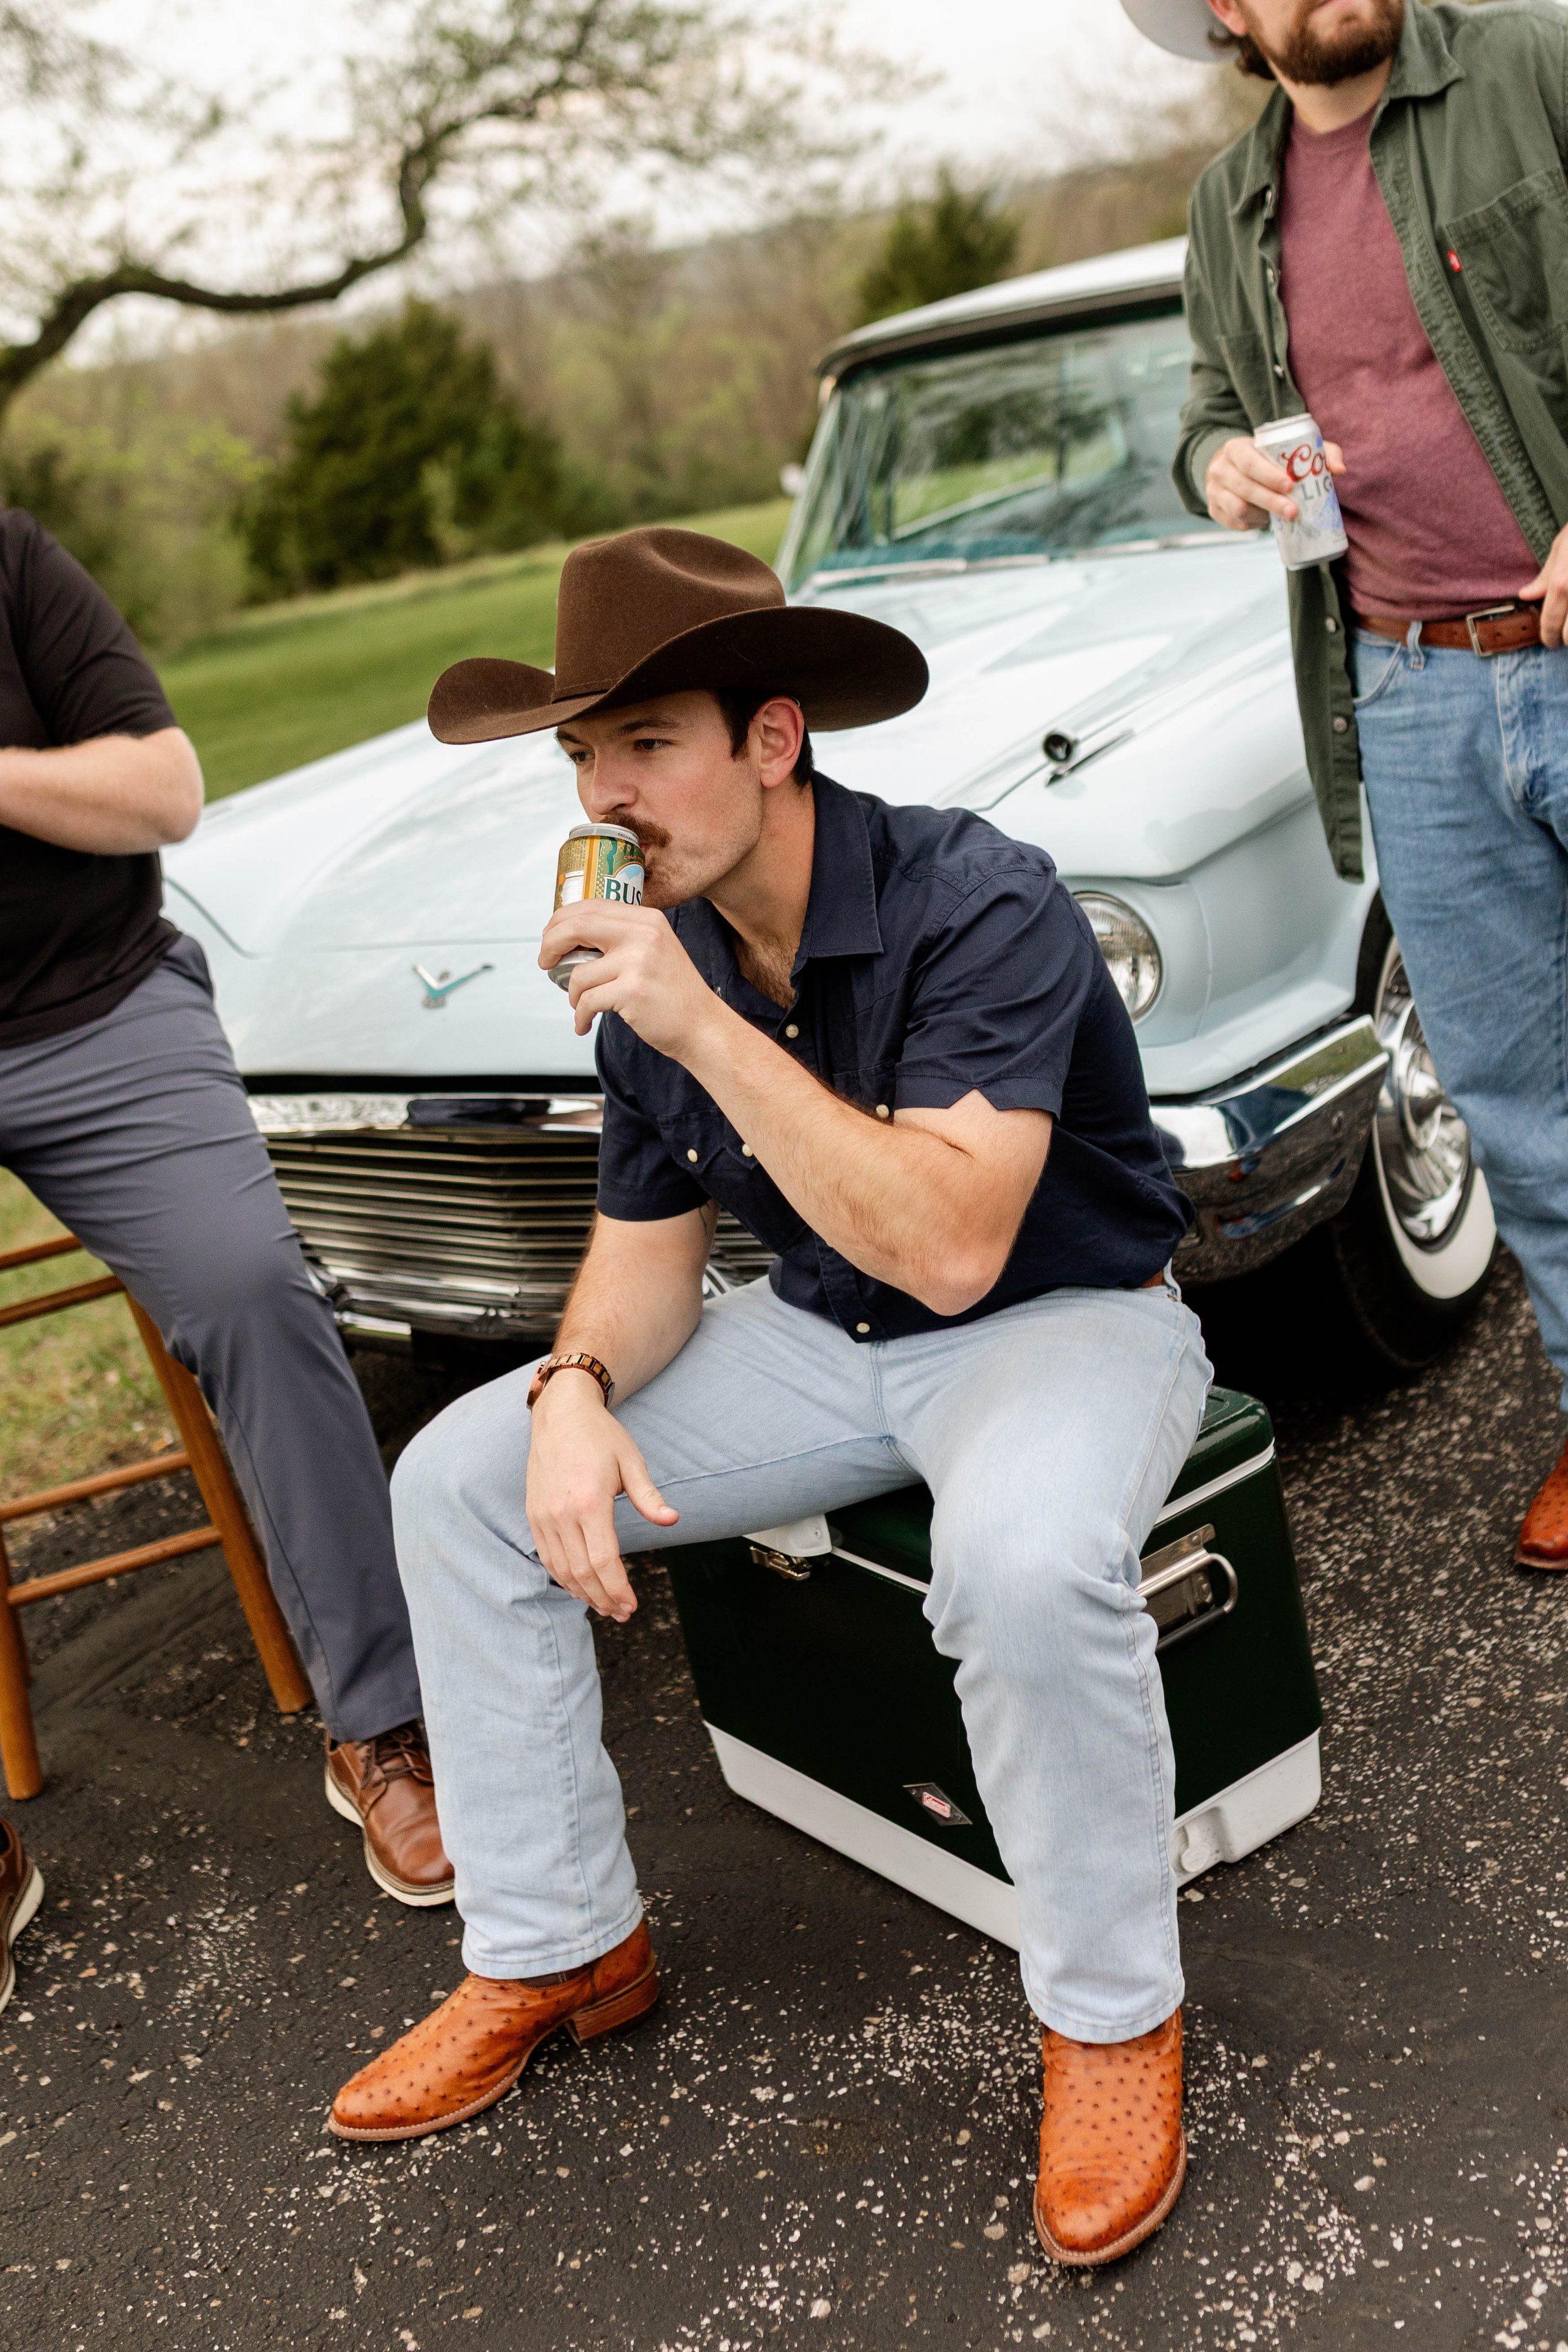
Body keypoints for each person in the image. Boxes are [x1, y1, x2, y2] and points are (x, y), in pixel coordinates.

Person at [331, 526, 1212, 2270]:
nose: (607, 789)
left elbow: (957, 1247)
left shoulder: (982, 898)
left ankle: (1111, 2012)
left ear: (773, 738)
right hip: (823, 1337)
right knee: (456, 1476)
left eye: (646, 741)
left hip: (1061, 1318)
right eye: (584, 755)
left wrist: (699, 1017)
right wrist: (575, 1384)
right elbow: (647, 1251)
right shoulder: (663, 962)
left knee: (1024, 1560)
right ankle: (556, 1941)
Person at [1126, 0, 1568, 1564]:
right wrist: (1219, 466)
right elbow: (1197, 417)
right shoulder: (1224, 203)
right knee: (1519, 1103)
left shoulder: (1533, 62)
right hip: (1404, 686)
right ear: (1225, 17)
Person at [0, 509, 450, 1907]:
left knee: (253, 1291)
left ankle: (378, 1720)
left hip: (94, 1012)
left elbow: (162, 793)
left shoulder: (11, 560)